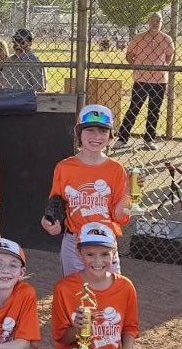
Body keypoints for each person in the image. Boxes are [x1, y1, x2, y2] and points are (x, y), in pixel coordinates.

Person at [40, 104, 132, 276]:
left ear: (111, 136)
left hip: (104, 243)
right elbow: (55, 204)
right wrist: (48, 221)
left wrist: (132, 190)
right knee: (74, 292)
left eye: (103, 131)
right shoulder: (64, 167)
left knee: (109, 293)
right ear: (79, 133)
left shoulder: (116, 169)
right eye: (90, 130)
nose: (97, 136)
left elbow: (119, 216)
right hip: (74, 240)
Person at [113, 12, 175, 151]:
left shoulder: (166, 38)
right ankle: (123, 138)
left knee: (154, 110)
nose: (155, 23)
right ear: (148, 21)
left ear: (161, 22)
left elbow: (169, 56)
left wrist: (161, 67)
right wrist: (138, 67)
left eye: (158, 20)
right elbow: (129, 55)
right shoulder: (139, 37)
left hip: (159, 80)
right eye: (153, 20)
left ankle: (149, 138)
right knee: (134, 108)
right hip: (141, 79)